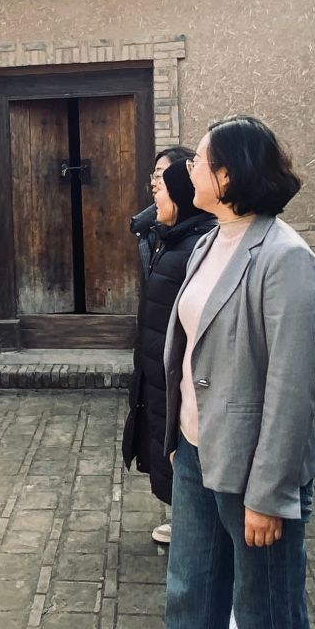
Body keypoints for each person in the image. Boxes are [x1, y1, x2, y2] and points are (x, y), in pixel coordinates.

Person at [111, 116, 315, 629]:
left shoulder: (285, 257)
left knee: (267, 624)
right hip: (197, 454)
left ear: (228, 175)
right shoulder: (209, 241)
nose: (187, 171)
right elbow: (185, 348)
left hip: (255, 470)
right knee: (191, 599)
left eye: (199, 161)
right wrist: (176, 435)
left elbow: (290, 387)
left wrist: (270, 493)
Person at [123, 147, 212, 545]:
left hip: (177, 369)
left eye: (163, 180)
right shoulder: (164, 237)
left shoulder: (194, 246)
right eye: (154, 178)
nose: (154, 188)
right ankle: (188, 521)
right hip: (158, 360)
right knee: (162, 436)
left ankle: (194, 529)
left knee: (178, 441)